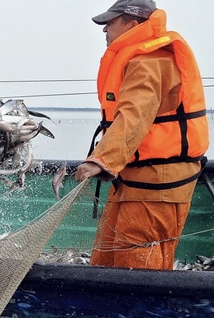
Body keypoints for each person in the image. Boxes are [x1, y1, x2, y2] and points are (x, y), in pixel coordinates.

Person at [75, 0, 209, 270]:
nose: (104, 30)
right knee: (106, 259)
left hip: (156, 185)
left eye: (110, 23)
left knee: (135, 266)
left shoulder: (150, 61)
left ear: (132, 24)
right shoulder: (143, 57)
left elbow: (135, 116)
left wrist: (101, 159)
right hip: (135, 180)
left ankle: (140, 313)